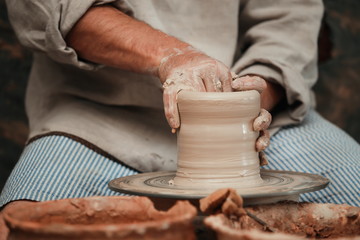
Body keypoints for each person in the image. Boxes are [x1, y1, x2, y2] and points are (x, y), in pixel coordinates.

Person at [1, 0, 359, 235]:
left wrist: (256, 91)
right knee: (22, 226)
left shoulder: (252, 105)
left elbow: (288, 19)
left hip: (253, 124)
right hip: (96, 115)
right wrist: (173, 56)